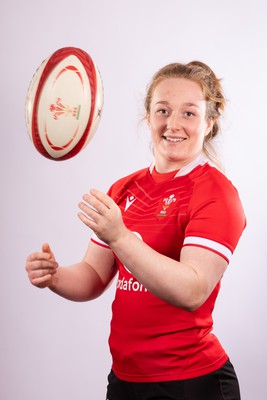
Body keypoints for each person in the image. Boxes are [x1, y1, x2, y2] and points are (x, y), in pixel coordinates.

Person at [26, 61, 246, 400]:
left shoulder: (217, 193)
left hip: (192, 382)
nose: (173, 124)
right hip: (126, 379)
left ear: (209, 123)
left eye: (189, 113)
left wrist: (121, 237)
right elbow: (93, 275)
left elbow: (193, 290)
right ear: (148, 117)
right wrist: (55, 276)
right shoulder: (124, 189)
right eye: (162, 110)